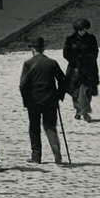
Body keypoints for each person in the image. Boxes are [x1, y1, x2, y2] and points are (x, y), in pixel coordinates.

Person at [18, 37, 67, 165]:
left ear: (33, 49)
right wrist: (59, 95)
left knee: (34, 128)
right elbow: (63, 80)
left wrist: (26, 100)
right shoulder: (52, 63)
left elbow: (23, 85)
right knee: (50, 127)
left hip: (34, 101)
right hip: (50, 100)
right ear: (43, 48)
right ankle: (56, 151)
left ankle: (36, 156)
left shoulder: (28, 64)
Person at [63, 18, 100, 121]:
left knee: (87, 91)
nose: (84, 31)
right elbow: (66, 54)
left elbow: (95, 52)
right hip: (75, 69)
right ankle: (80, 111)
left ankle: (83, 111)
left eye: (85, 29)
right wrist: (76, 61)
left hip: (89, 68)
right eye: (82, 29)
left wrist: (87, 59)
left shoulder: (92, 38)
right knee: (75, 91)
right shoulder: (70, 39)